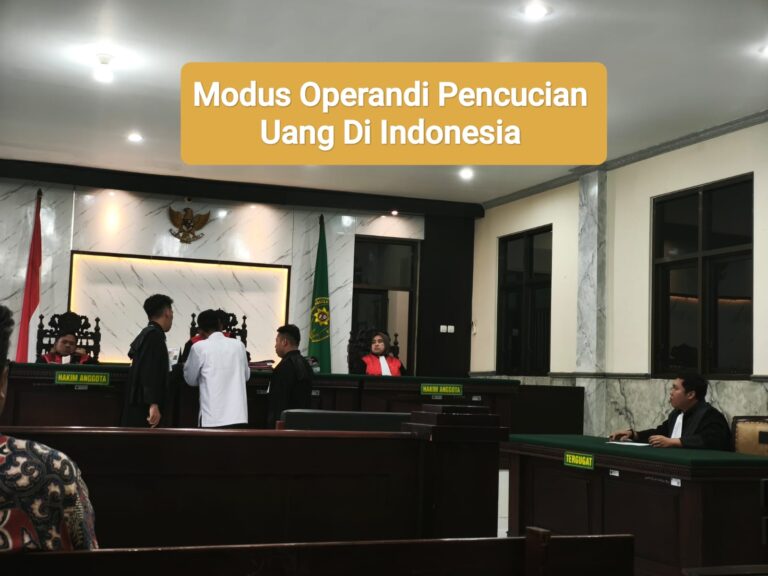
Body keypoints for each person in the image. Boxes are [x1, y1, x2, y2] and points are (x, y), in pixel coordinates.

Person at [0, 305, 98, 552]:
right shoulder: (57, 470)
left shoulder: (82, 360)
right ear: (3, 381)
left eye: (72, 343)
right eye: (65, 342)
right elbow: (88, 555)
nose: (68, 346)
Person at [610, 374, 731, 450]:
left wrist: (675, 442)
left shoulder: (711, 416)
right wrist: (634, 434)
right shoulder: (677, 414)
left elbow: (710, 441)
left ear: (690, 394)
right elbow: (661, 433)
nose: (671, 392)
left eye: (675, 388)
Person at [183, 309, 250, 428]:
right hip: (239, 416)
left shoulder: (199, 347)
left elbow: (190, 380)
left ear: (200, 330)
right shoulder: (239, 346)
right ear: (220, 325)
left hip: (211, 418)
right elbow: (246, 376)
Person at [122, 294, 174, 428]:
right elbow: (149, 371)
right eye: (172, 311)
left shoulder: (148, 333)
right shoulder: (154, 336)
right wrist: (153, 403)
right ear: (167, 312)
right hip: (145, 409)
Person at [267, 324, 312, 428]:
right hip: (304, 425)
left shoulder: (283, 367)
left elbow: (277, 404)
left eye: (277, 341)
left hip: (284, 427)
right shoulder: (306, 365)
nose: (275, 345)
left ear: (284, 342)